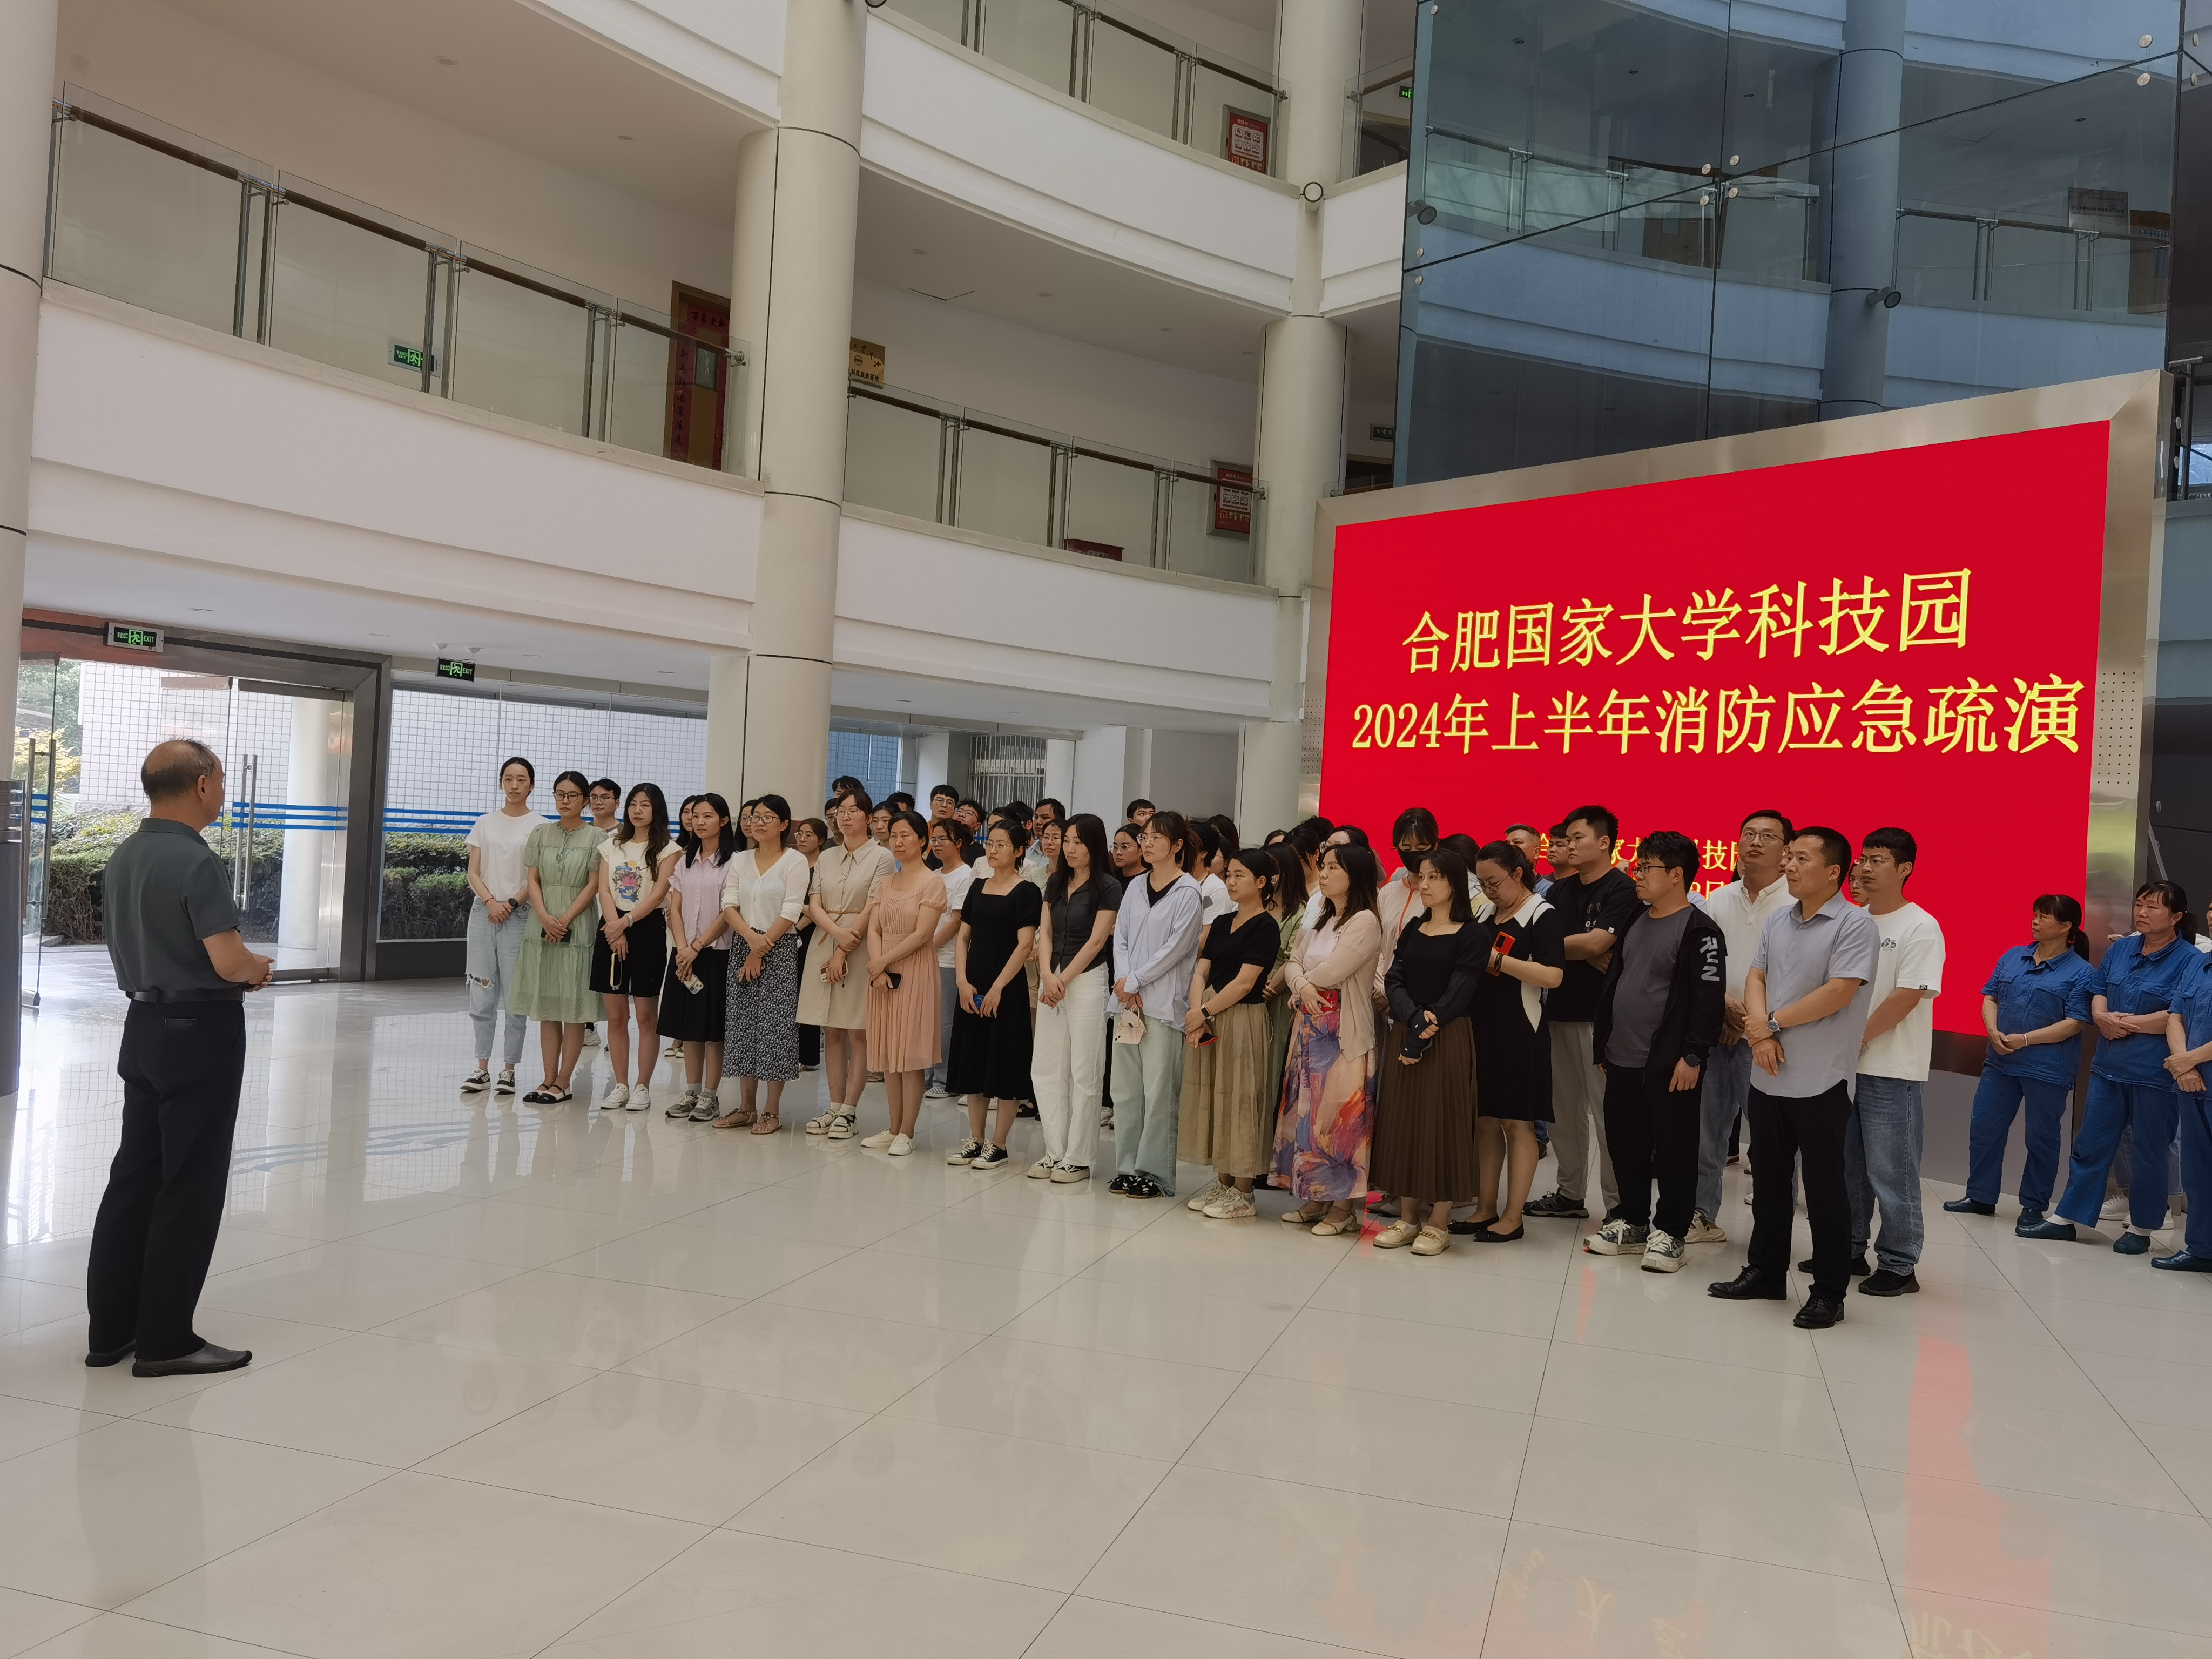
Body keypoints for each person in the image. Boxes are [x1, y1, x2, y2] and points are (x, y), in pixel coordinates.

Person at [85, 739, 273, 1378]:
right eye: (219, 779)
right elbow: (228, 960)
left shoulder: (125, 855)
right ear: (200, 786)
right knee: (190, 1181)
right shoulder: (197, 860)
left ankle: (112, 1331)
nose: (222, 791)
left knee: (135, 1175)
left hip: (142, 1025)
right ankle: (166, 1340)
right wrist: (258, 968)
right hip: (200, 1031)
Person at [1709, 827, 1879, 1328]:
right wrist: (1760, 1033)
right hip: (1768, 1073)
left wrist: (1771, 1024)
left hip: (1820, 1078)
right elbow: (1757, 975)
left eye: (1802, 858)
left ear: (1833, 872)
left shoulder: (1854, 924)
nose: (1789, 865)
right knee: (1768, 1182)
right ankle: (1765, 1272)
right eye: (1790, 856)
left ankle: (1829, 1292)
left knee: (1824, 1190)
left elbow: (1839, 991)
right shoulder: (1780, 918)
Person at [2028, 880, 2199, 1249]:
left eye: (2153, 907)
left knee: (2149, 1151)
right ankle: (2067, 1217)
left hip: (2154, 1073)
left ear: (2176, 917)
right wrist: (2101, 1016)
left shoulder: (2191, 960)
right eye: (2139, 905)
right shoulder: (2122, 949)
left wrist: (2128, 1024)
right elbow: (2099, 988)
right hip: (2109, 1067)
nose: (2142, 913)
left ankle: (2142, 1228)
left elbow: (2180, 1013)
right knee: (2090, 1143)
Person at [1586, 831, 1725, 1272]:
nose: (1638, 875)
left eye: (1646, 867)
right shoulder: (1635, 917)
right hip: (1621, 1056)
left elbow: (1708, 1001)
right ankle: (1632, 1221)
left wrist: (1694, 1055)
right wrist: (1605, 1045)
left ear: (1677, 875)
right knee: (1625, 1143)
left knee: (1674, 1150)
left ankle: (1671, 1232)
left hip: (1670, 1063)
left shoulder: (1700, 930)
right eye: (1638, 866)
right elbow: (1618, 982)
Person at [1943, 896, 2095, 1228]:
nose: (2035, 921)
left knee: (2041, 1138)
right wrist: (1992, 1030)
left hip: (2047, 1068)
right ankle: (1980, 1196)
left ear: (2066, 927)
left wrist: (2025, 1039)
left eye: (2044, 917)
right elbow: (1990, 996)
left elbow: (2075, 1023)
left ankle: (2034, 1205)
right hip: (2000, 1062)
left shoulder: (2082, 972)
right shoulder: (2014, 955)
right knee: (1985, 1126)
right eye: (2035, 915)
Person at [1370, 849, 1486, 1255]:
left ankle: (1438, 1221)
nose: (1425, 884)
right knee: (1403, 1120)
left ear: (1455, 882)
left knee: (1444, 1121)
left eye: (1435, 877)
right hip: (1408, 1028)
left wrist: (1424, 1027)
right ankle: (1407, 1217)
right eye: (1423, 876)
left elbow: (1461, 989)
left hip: (1448, 1035)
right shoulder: (1415, 926)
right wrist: (1414, 1020)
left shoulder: (1473, 933)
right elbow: (1395, 978)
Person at [1844, 828, 1945, 1295]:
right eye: (1863, 858)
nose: (1865, 868)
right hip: (1844, 1067)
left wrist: (1856, 1038)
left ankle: (1900, 1264)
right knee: (1848, 1167)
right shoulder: (1854, 920)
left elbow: (1908, 995)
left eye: (1878, 860)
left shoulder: (1920, 925)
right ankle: (1849, 1248)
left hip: (1891, 1069)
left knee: (1892, 1171)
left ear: (1905, 869)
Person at [1528, 805, 1638, 1221]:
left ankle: (1618, 1205)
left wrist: (1576, 946)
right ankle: (1570, 1193)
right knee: (1562, 1113)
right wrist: (1582, 947)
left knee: (1608, 1114)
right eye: (1566, 839)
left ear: (1604, 842)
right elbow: (1538, 938)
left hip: (1601, 1018)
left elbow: (1596, 945)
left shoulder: (1622, 889)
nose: (1569, 846)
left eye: (1578, 838)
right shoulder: (1560, 891)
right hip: (1557, 1010)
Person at [1273, 843, 1385, 1234]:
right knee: (1309, 1112)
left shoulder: (1365, 920)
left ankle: (1343, 1209)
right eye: (1323, 866)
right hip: (1310, 1024)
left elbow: (1337, 970)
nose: (1323, 873)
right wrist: (1302, 985)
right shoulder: (1322, 916)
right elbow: (1293, 962)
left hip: (1343, 1031)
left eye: (1334, 867)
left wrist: (1302, 984)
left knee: (1339, 1118)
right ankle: (1315, 1197)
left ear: (1355, 875)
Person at [1697, 810, 1795, 1242]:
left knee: (1773, 1141)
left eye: (1768, 836)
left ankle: (1774, 1234)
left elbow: (1797, 976)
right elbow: (1702, 962)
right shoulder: (1717, 899)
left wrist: (1753, 1022)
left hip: (1769, 1038)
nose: (1755, 842)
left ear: (1786, 850)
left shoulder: (1795, 903)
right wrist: (1722, 1005)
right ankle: (1702, 1216)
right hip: (1715, 1030)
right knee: (1706, 1135)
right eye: (1749, 834)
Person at [1465, 840, 1566, 1240]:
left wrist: (1498, 961)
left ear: (1519, 874)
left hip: (1522, 1029)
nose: (1489, 890)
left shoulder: (1542, 914)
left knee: (1517, 1122)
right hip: (1482, 1027)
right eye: (1483, 883)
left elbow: (1553, 976)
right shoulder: (1485, 913)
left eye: (1494, 882)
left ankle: (1513, 1215)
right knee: (1486, 1120)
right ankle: (1485, 1208)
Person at [1178, 848, 1284, 1219]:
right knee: (1214, 1095)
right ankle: (1222, 1183)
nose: (1232, 881)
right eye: (1230, 875)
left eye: (1240, 875)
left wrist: (1204, 1012)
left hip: (1241, 1018)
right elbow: (1201, 970)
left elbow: (1245, 983)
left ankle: (1243, 1192)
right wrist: (1197, 1012)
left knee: (1240, 1097)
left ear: (1261, 882)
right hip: (1209, 1014)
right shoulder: (1223, 921)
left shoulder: (1266, 926)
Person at [1109, 811, 1208, 1199]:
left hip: (1164, 1007)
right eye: (1144, 837)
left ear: (1178, 845)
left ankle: (1154, 1173)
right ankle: (1127, 1166)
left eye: (1156, 838)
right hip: (1128, 1005)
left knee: (1159, 1093)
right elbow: (1120, 938)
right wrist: (1124, 982)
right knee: (1126, 1090)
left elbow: (1176, 949)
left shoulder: (1188, 892)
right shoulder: (1135, 886)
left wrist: (1134, 981)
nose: (1147, 844)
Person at [799, 787, 898, 1139]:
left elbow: (873, 905)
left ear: (869, 818)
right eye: (840, 811)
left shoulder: (882, 857)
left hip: (860, 944)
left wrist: (843, 948)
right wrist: (836, 936)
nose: (845, 816)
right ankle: (834, 1106)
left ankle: (850, 1111)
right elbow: (814, 903)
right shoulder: (827, 857)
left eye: (853, 811)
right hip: (827, 939)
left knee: (858, 1029)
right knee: (831, 1029)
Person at [947, 821, 1043, 1168]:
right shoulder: (977, 887)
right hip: (972, 984)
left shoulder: (1027, 892)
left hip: (1007, 988)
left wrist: (998, 987)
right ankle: (976, 1139)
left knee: (1005, 1064)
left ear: (1019, 851)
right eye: (990, 843)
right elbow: (963, 938)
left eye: (1002, 845)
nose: (993, 850)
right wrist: (962, 981)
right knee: (973, 1061)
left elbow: (1024, 945)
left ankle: (999, 1145)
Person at [1034, 813, 1121, 1182]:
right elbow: (1045, 933)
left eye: (1077, 842)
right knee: (1046, 1068)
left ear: (1093, 845)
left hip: (1086, 980)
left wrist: (1063, 979)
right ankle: (1054, 1151)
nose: (1069, 848)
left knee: (1085, 1070)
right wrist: (1046, 975)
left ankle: (1079, 1157)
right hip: (1052, 978)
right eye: (1066, 841)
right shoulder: (1055, 881)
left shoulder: (1108, 886)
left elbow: (1098, 941)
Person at [716, 794, 810, 1133]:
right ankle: (746, 1108)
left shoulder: (795, 861)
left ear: (784, 824)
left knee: (774, 1028)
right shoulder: (741, 859)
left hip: (778, 949)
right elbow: (729, 905)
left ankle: (771, 1111)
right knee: (743, 1026)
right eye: (754, 817)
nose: (758, 822)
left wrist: (761, 949)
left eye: (767, 817)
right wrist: (751, 942)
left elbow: (792, 910)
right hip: (744, 945)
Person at [512, 770, 603, 1104]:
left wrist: (564, 919)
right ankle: (547, 1078)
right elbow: (533, 880)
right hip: (541, 922)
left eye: (572, 795)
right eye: (560, 795)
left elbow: (594, 884)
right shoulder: (541, 833)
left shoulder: (596, 837)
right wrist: (545, 916)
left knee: (574, 1006)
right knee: (548, 1003)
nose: (565, 801)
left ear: (585, 800)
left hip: (577, 926)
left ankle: (564, 1082)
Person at [590, 782, 679, 1111]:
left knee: (645, 1017)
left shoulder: (669, 849)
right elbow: (604, 890)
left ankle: (643, 1086)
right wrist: (615, 928)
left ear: (657, 810)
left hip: (647, 930)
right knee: (616, 1017)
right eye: (633, 804)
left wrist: (626, 923)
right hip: (612, 928)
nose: (638, 810)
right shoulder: (611, 845)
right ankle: (621, 1085)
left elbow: (657, 895)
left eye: (645, 805)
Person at [863, 810, 947, 1156]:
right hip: (881, 973)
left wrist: (882, 962)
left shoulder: (932, 882)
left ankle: (907, 1132)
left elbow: (924, 934)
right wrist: (877, 967)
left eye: (905, 835)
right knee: (888, 1052)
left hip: (914, 970)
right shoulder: (886, 883)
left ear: (922, 841)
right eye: (893, 835)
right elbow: (873, 928)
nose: (897, 842)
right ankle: (893, 1126)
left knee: (909, 1055)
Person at [461, 756, 538, 1098]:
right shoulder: (485, 823)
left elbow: (536, 878)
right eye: (508, 778)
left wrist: (510, 904)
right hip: (484, 911)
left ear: (531, 785)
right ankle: (481, 1068)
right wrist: (492, 902)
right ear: (501, 783)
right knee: (482, 989)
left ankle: (509, 1069)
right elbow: (473, 872)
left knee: (515, 994)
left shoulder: (540, 826)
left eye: (521, 779)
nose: (514, 785)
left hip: (518, 914)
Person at [661, 794, 734, 1120]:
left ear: (724, 821)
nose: (699, 822)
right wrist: (682, 948)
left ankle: (711, 1095)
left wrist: (697, 946)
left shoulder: (734, 862)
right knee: (689, 1026)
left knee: (713, 1029)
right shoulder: (684, 860)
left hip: (716, 954)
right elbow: (674, 908)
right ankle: (691, 1091)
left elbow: (729, 912)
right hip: (683, 954)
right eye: (695, 816)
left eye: (708, 816)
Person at [2156, 957, 2212, 1271]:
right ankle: (2203, 1249)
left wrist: (2189, 1059)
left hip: (2196, 1070)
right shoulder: (2197, 966)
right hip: (2193, 1084)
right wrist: (2183, 1063)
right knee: (2197, 1171)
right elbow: (2174, 1017)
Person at [925, 819, 976, 1100]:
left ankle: (944, 1079)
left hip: (946, 959)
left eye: (942, 839)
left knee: (945, 1022)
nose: (936, 844)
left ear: (958, 843)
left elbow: (956, 922)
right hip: (925, 957)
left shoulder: (966, 876)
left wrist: (925, 947)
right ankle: (927, 1074)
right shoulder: (933, 875)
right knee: (927, 1020)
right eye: (934, 839)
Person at [1374, 807, 1440, 1001]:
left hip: (1422, 998)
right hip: (1382, 994)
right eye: (1406, 848)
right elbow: (1376, 947)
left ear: (1435, 845)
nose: (1414, 854)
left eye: (1421, 847)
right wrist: (1383, 989)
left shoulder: (1443, 894)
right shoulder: (1387, 892)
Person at [791, 816, 828, 1072]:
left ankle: (808, 1055)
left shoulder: (823, 867)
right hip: (789, 931)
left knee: (808, 993)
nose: (802, 839)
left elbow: (819, 906)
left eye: (809, 835)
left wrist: (799, 926)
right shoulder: (794, 864)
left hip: (812, 933)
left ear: (821, 840)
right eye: (800, 834)